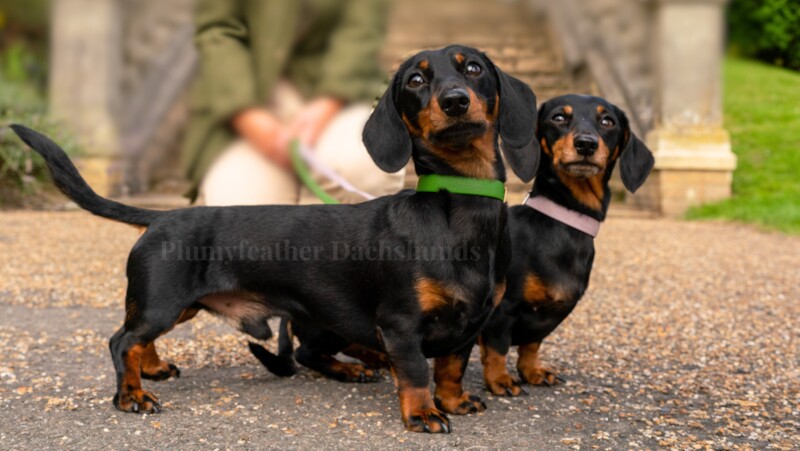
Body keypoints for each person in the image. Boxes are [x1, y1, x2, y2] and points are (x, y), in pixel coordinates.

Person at [182, 0, 404, 206]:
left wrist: (328, 102)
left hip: (338, 94)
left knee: (364, 169)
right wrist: (247, 115)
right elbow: (217, 29)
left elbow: (362, 28)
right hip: (248, 98)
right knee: (240, 216)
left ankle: (350, 243)